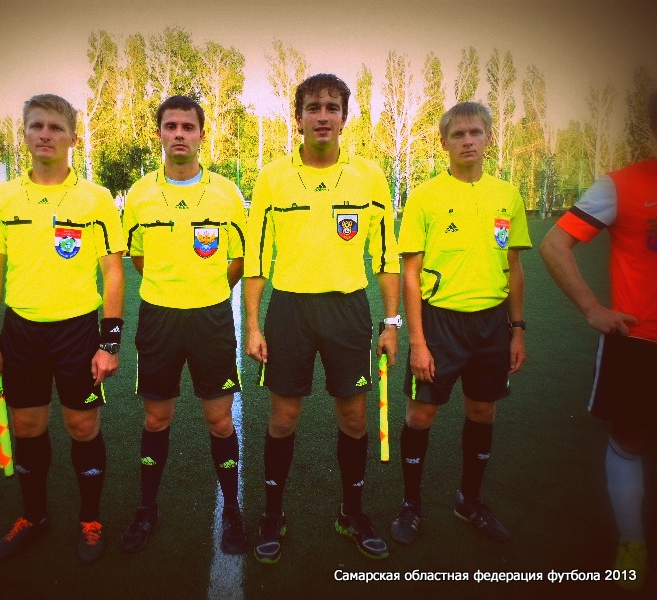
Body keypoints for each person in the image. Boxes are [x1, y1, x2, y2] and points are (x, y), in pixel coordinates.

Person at [244, 73, 401, 563]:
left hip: (348, 310)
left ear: (344, 118)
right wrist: (254, 325)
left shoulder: (369, 177)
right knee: (284, 416)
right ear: (298, 118)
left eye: (332, 107)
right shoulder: (272, 177)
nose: (323, 116)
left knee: (353, 418)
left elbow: (387, 257)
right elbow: (255, 259)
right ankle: (273, 515)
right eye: (313, 107)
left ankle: (351, 513)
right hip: (289, 310)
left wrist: (392, 323)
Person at [0, 94, 125, 563]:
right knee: (27, 425)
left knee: (82, 426)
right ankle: (34, 516)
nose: (45, 134)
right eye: (37, 125)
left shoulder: (95, 198)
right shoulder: (3, 198)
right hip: (22, 331)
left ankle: (90, 521)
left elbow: (113, 272)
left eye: (56, 127)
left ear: (73, 138)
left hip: (77, 331)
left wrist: (110, 342)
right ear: (24, 134)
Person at [391, 101, 530, 547]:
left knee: (483, 410)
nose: (467, 141)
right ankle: (411, 504)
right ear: (444, 142)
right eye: (458, 134)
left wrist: (517, 329)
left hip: (491, 324)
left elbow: (514, 266)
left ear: (489, 137)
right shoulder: (425, 196)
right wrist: (417, 342)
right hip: (440, 323)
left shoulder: (507, 195)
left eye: (475, 133)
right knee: (421, 413)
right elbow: (410, 273)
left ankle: (468, 500)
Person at [118, 95, 248, 555]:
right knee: (157, 417)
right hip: (159, 318)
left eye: (187, 127)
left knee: (219, 420)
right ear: (159, 133)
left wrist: (205, 289)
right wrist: (171, 289)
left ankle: (232, 509)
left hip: (211, 318)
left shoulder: (226, 193)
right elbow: (138, 258)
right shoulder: (139, 194)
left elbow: (237, 260)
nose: (178, 134)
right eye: (170, 126)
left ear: (201, 135)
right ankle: (147, 508)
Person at [539, 91, 657, 592]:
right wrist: (592, 307)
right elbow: (554, 243)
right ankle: (632, 540)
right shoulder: (621, 185)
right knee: (631, 441)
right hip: (640, 342)